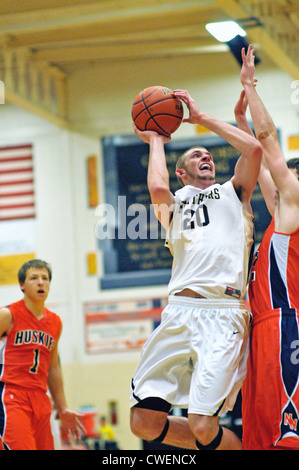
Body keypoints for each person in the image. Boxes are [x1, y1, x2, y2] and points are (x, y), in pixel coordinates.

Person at [129, 80, 263, 450]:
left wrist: (203, 118)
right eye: (195, 155)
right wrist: (156, 138)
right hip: (179, 312)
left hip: (223, 313)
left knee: (203, 425)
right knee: (143, 422)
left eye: (208, 154)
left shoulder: (233, 193)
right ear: (181, 174)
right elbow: (156, 188)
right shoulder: (173, 206)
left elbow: (253, 149)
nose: (205, 156)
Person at [236, 44, 299, 450]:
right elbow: (258, 156)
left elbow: (268, 139)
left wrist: (250, 87)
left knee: (284, 438)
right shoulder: (279, 215)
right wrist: (239, 117)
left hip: (283, 325)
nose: (276, 183)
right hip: (260, 331)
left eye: (285, 177)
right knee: (257, 440)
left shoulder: (293, 206)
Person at [0, 259, 85, 450]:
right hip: (13, 396)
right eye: (34, 278)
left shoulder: (55, 322)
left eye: (45, 278)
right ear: (21, 285)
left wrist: (62, 408)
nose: (41, 282)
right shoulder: (8, 315)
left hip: (41, 399)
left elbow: (53, 367)